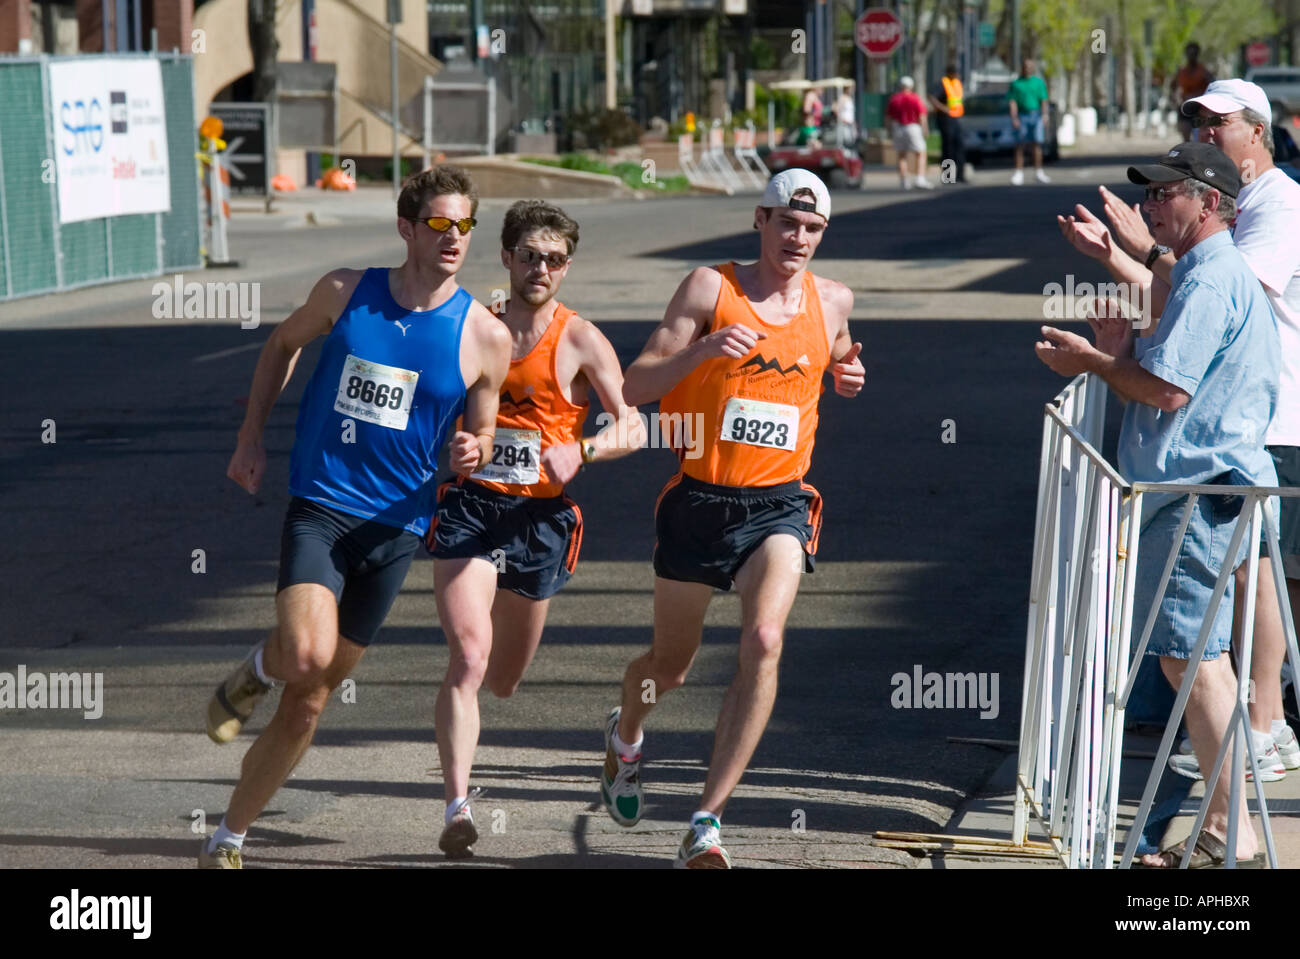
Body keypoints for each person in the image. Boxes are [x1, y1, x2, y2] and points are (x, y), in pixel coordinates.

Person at [199, 165, 511, 868]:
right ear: (407, 228)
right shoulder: (346, 293)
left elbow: (484, 430)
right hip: (322, 506)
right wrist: (251, 436)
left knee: (308, 700)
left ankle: (227, 835)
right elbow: (282, 345)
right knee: (306, 656)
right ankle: (265, 660)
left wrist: (475, 446)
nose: (454, 236)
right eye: (438, 223)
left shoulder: (486, 336)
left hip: (395, 530)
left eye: (464, 224)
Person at [598, 169, 865, 868]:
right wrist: (701, 351)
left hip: (778, 502)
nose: (797, 239)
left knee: (766, 638)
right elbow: (633, 384)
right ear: (761, 220)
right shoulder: (708, 288)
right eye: (786, 224)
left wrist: (846, 371)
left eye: (811, 230)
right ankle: (626, 737)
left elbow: (835, 347)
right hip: (698, 501)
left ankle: (706, 821)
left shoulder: (833, 299)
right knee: (670, 668)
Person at [1037, 142, 1278, 868]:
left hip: (1195, 492)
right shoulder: (1207, 272)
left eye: (1164, 192)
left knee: (1192, 664)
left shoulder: (1211, 278)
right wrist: (1123, 351)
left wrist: (1096, 362)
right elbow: (1175, 376)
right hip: (1203, 489)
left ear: (1209, 202)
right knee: (1198, 664)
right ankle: (1225, 825)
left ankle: (1236, 832)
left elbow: (1171, 394)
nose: (1150, 205)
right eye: (1148, 194)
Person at [1057, 79, 1300, 783]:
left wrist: (1100, 357)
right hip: (1222, 436)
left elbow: (1218, 304)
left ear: (1258, 129)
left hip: (1248, 431)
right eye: (1193, 117)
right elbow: (1187, 300)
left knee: (1244, 597)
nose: (1201, 128)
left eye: (1215, 121)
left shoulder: (1276, 202)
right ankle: (1237, 775)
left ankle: (1261, 732)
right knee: (1210, 624)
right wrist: (1117, 260)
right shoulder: (1225, 223)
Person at [426, 200, 645, 857]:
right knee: (468, 655)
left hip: (541, 519)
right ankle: (457, 805)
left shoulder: (580, 339)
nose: (540, 268)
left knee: (504, 678)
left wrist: (586, 450)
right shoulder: (475, 328)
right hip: (471, 507)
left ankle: (608, 731)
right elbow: (430, 414)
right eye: (529, 256)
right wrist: (457, 448)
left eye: (553, 259)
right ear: (507, 257)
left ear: (566, 266)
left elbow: (633, 423)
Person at [1009, 57, 1051, 185]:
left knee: (1037, 143)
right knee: (1020, 144)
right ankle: (1018, 172)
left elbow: (1043, 100)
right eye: (1025, 66)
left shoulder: (1038, 83)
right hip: (1022, 115)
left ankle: (1039, 171)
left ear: (1033, 68)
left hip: (1036, 115)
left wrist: (1045, 115)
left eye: (1029, 66)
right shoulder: (1016, 84)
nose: (1027, 69)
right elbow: (1012, 102)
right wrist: (1014, 117)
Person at [887, 76, 932, 190]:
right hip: (913, 127)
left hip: (898, 127)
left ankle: (904, 181)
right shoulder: (915, 98)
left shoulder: (894, 99)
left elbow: (888, 117)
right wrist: (925, 129)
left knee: (902, 155)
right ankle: (920, 179)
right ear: (911, 86)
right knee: (921, 153)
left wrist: (889, 130)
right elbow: (922, 116)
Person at [928, 62, 967, 183]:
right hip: (945, 120)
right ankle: (948, 177)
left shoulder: (957, 83)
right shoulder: (942, 84)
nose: (957, 75)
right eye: (956, 72)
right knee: (948, 148)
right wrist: (942, 108)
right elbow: (931, 97)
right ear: (950, 73)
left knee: (959, 147)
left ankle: (960, 176)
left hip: (956, 119)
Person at [1171, 43, 1215, 141]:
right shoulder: (1182, 71)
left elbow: (1213, 83)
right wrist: (1175, 97)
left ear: (1197, 54)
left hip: (1200, 108)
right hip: (1185, 106)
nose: (1191, 55)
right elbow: (1173, 85)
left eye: (1194, 53)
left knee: (1200, 137)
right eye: (1189, 53)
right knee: (1185, 137)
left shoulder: (1203, 71)